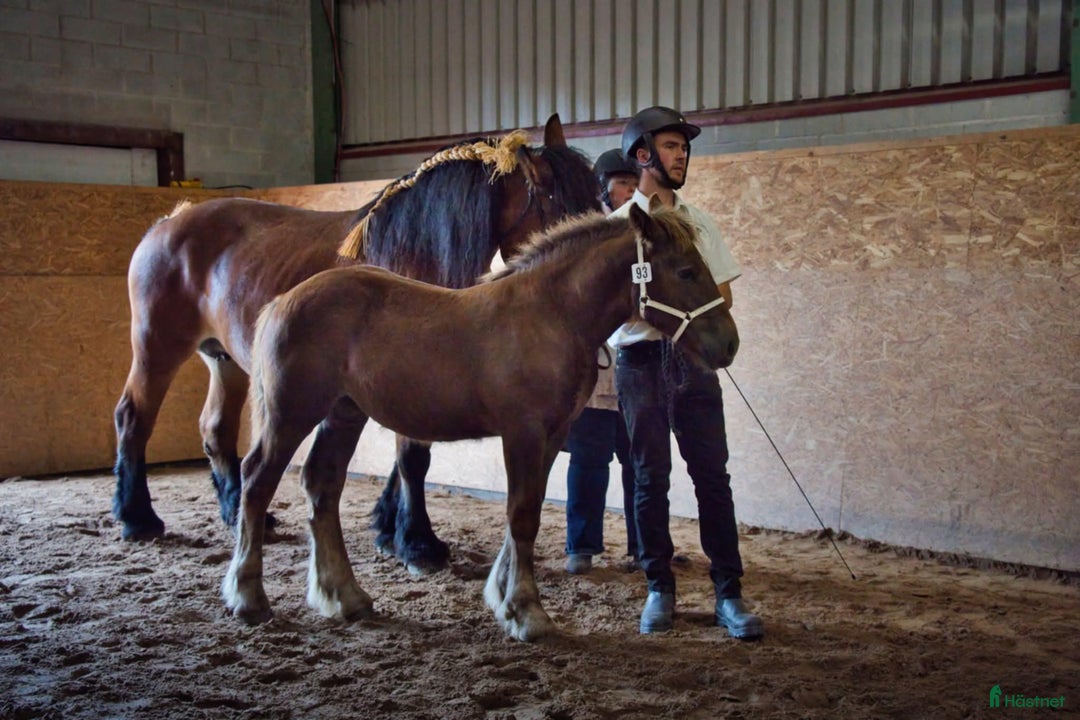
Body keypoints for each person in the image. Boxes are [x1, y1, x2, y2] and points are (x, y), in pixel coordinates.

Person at [608, 106, 763, 639]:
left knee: (712, 479)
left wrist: (664, 311)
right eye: (672, 147)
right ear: (643, 153)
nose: (682, 155)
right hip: (639, 364)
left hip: (691, 361)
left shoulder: (696, 221)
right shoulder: (615, 228)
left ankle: (729, 593)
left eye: (684, 147)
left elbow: (721, 292)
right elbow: (611, 313)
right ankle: (659, 588)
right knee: (649, 480)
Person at [563, 149, 639, 575]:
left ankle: (642, 546)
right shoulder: (589, 240)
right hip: (598, 363)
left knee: (638, 460)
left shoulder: (644, 237)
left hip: (637, 359)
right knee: (589, 459)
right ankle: (582, 546)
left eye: (634, 182)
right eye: (622, 183)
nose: (630, 190)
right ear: (604, 190)